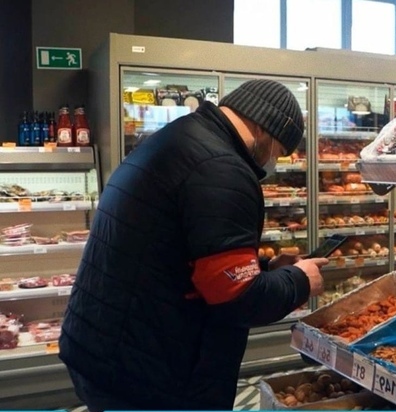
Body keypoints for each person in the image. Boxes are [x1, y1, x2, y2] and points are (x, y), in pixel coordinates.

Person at [59, 79, 328, 411]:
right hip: (151, 374)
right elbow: (239, 301)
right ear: (264, 128)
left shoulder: (178, 138)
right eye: (278, 151)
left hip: (107, 349)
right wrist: (300, 281)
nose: (273, 162)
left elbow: (178, 254)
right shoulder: (222, 168)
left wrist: (263, 269)